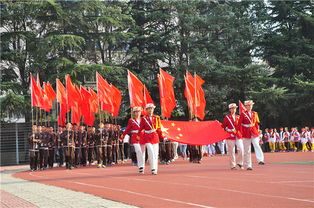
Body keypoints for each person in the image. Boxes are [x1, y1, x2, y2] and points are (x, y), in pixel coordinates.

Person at [138, 103, 166, 175]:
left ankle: (154, 169)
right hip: (147, 136)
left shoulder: (156, 118)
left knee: (155, 153)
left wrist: (162, 136)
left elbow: (158, 128)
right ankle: (153, 168)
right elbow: (141, 128)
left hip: (154, 136)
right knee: (150, 152)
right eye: (149, 109)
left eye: (152, 108)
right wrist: (138, 136)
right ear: (146, 110)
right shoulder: (144, 119)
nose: (150, 110)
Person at [238, 100, 260, 170]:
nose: (250, 106)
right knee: (247, 150)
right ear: (245, 106)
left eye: (251, 105)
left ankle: (260, 160)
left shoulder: (255, 113)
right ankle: (248, 165)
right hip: (246, 132)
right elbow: (239, 125)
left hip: (254, 131)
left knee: (256, 144)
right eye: (248, 105)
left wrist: (257, 131)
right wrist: (241, 133)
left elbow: (256, 124)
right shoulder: (242, 114)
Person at [122, 107, 145, 173]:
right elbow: (127, 129)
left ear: (141, 112)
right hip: (135, 137)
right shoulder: (131, 120)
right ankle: (140, 166)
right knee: (138, 151)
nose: (137, 113)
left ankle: (142, 166)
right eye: (136, 112)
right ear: (134, 113)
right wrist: (123, 136)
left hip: (142, 137)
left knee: (143, 152)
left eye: (138, 112)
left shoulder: (143, 119)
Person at [222, 103, 244, 170]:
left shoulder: (239, 117)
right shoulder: (227, 117)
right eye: (232, 108)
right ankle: (233, 165)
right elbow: (223, 126)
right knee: (231, 151)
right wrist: (217, 124)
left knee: (241, 149)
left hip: (237, 134)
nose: (234, 109)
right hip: (230, 134)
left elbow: (241, 126)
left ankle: (240, 162)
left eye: (235, 108)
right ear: (230, 109)